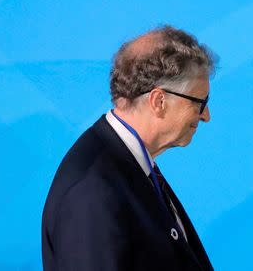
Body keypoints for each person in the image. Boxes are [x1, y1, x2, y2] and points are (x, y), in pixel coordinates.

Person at [42, 25, 216, 270]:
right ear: (159, 101)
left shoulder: (130, 166)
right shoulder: (93, 191)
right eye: (200, 103)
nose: (206, 116)